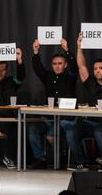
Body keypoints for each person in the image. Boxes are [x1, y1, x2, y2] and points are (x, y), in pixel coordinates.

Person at [66, 32, 102, 171]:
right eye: (95, 69)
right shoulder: (90, 82)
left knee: (99, 131)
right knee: (71, 131)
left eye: (101, 68)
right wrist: (79, 47)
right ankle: (82, 162)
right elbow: (81, 66)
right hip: (90, 121)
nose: (97, 71)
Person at [27, 38, 78, 169]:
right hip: (49, 118)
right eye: (54, 64)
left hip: (66, 118)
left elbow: (74, 67)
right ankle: (40, 158)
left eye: (60, 63)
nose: (57, 66)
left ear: (65, 65)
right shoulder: (48, 76)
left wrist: (67, 50)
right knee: (32, 129)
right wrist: (35, 52)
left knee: (52, 134)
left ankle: (60, 159)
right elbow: (38, 69)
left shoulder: (70, 76)